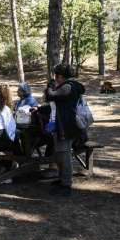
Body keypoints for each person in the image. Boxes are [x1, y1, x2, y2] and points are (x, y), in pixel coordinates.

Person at [44, 64, 85, 197]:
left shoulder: (68, 86)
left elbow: (51, 95)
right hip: (62, 124)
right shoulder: (68, 86)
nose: (55, 78)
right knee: (60, 154)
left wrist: (50, 87)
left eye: (56, 76)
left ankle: (66, 184)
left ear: (60, 76)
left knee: (64, 154)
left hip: (66, 125)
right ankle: (62, 179)